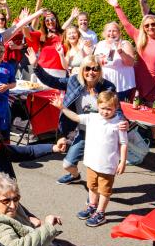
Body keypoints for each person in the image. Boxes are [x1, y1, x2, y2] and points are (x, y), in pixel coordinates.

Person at [28, 51, 119, 185]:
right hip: (83, 132)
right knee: (67, 164)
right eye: (87, 68)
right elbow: (52, 81)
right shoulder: (74, 81)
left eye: (95, 68)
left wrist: (122, 121)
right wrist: (36, 66)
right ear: (82, 69)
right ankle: (75, 175)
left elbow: (117, 106)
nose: (91, 72)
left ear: (100, 71)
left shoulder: (107, 87)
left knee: (96, 167)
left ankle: (95, 195)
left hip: (101, 133)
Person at [52, 91, 127, 227]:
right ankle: (92, 206)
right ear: (98, 106)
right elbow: (75, 117)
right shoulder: (92, 117)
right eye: (103, 108)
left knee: (104, 191)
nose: (105, 112)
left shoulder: (119, 123)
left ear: (116, 108)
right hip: (91, 162)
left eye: (109, 109)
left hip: (107, 165)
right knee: (91, 187)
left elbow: (123, 144)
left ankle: (100, 213)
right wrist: (62, 107)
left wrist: (122, 161)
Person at [0, 123, 66, 216]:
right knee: (31, 226)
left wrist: (54, 148)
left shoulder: (1, 153)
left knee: (35, 225)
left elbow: (29, 151)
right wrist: (27, 218)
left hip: (5, 202)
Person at [106, 0, 155, 110]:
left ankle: (154, 129)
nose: (150, 27)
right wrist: (117, 6)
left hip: (154, 82)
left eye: (153, 24)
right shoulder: (138, 37)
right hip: (137, 79)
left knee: (153, 111)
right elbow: (126, 23)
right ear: (143, 27)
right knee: (134, 109)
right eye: (147, 25)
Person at [93, 22, 137, 101]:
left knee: (118, 107)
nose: (111, 33)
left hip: (121, 84)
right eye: (109, 31)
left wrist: (121, 52)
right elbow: (95, 61)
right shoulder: (100, 44)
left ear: (119, 33)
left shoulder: (125, 44)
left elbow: (130, 63)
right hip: (103, 82)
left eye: (114, 31)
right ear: (104, 33)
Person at [23, 9, 66, 79]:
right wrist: (25, 22)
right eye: (47, 20)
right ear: (44, 22)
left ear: (56, 20)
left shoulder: (63, 34)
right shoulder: (41, 34)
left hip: (60, 71)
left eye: (52, 19)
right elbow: (27, 35)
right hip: (44, 71)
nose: (50, 21)